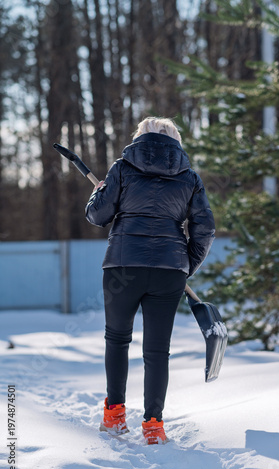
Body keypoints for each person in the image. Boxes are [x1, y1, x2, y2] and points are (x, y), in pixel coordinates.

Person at [85, 117, 215, 444]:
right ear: (176, 141)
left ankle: (114, 416)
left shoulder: (123, 168)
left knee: (117, 339)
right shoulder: (189, 177)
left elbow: (98, 216)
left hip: (122, 266)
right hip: (169, 271)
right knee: (158, 351)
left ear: (139, 138)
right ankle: (154, 426)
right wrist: (185, 265)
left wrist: (98, 195)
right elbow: (205, 229)